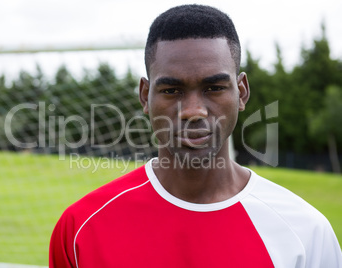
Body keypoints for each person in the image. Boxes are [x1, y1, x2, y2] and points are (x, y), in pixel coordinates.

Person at [49, 4, 342, 267]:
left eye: (213, 88)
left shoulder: (305, 233)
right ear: (144, 96)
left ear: (241, 92)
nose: (193, 111)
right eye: (171, 90)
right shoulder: (81, 229)